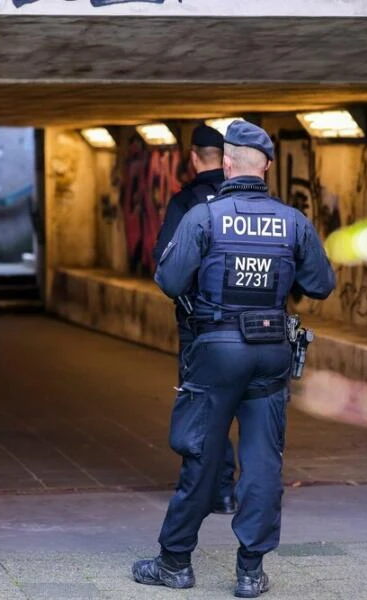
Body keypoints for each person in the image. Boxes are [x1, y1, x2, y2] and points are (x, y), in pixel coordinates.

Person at [132, 121, 336, 598]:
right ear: (265, 167)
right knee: (263, 460)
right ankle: (249, 571)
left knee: (202, 454)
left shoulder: (204, 217)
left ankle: (175, 562)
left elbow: (170, 281)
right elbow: (321, 284)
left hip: (217, 350)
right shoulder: (292, 221)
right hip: (271, 351)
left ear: (226, 165)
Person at [152, 123, 238, 515]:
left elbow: (167, 265)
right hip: (253, 326)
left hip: (201, 324)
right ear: (228, 159)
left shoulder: (187, 203)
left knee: (202, 406)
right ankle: (241, 491)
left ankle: (212, 490)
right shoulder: (252, 204)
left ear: (192, 157)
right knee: (249, 409)